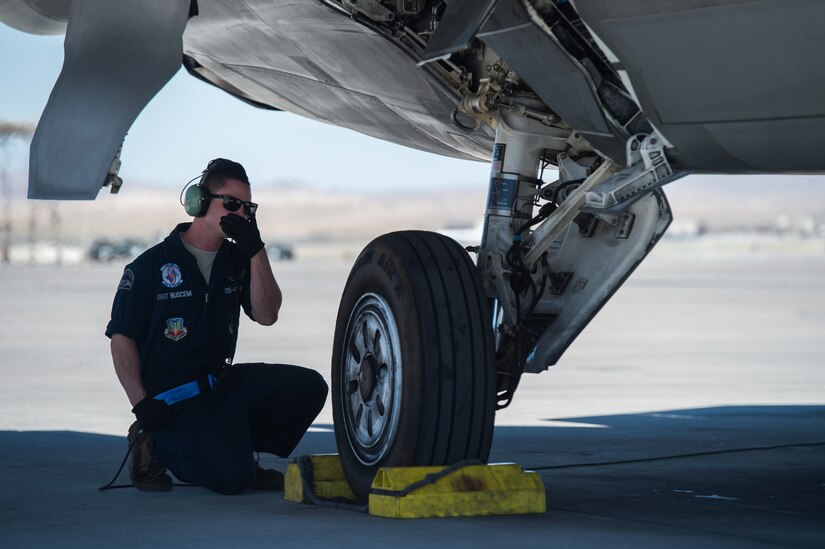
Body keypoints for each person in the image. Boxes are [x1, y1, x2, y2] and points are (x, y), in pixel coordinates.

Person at [105, 158, 328, 494]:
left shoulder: (237, 261)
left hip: (220, 386)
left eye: (248, 208)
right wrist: (142, 404)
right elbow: (122, 338)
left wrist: (255, 250)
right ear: (201, 202)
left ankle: (239, 452)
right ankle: (152, 444)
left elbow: (267, 314)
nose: (241, 214)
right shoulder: (150, 267)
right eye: (233, 204)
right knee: (232, 480)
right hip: (173, 399)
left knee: (308, 387)